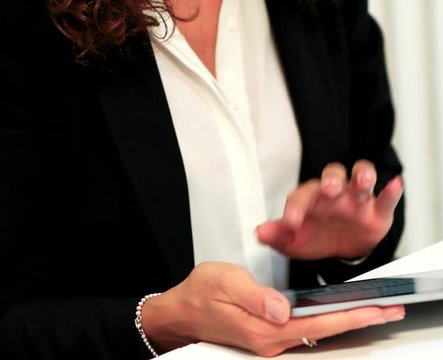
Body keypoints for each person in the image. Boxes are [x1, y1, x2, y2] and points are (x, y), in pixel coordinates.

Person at [0, 0, 405, 358]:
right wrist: (162, 321)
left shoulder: (324, 7)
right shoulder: (26, 25)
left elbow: (375, 171)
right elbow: (13, 310)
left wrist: (352, 245)